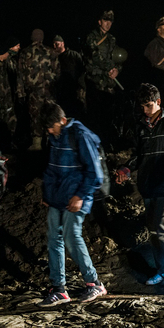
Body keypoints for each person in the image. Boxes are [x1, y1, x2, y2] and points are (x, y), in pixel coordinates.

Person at [116, 84, 164, 285]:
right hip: (148, 184)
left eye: (148, 105)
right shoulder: (141, 127)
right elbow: (139, 156)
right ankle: (162, 269)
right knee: (153, 228)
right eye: (142, 106)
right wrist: (127, 167)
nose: (145, 110)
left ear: (158, 102)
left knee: (161, 225)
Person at [38, 102, 107, 307]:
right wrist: (47, 194)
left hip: (76, 197)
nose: (50, 131)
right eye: (47, 128)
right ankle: (59, 289)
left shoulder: (80, 135)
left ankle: (94, 283)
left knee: (71, 236)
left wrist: (80, 196)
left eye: (52, 126)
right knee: (53, 238)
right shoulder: (55, 137)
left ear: (62, 120)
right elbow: (52, 168)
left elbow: (95, 173)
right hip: (57, 197)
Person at [84, 10, 121, 145]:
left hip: (108, 84)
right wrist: (109, 68)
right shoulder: (91, 37)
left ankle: (106, 144)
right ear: (99, 22)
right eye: (105, 20)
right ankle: (93, 145)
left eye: (110, 21)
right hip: (95, 82)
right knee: (94, 117)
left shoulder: (112, 39)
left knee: (108, 117)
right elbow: (95, 56)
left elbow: (117, 58)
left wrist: (116, 70)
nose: (108, 24)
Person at [20, 29, 59, 151]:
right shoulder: (51, 52)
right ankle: (51, 141)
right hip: (49, 91)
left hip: (34, 92)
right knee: (50, 114)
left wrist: (20, 92)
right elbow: (58, 73)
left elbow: (20, 75)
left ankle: (37, 143)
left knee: (35, 116)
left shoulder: (25, 53)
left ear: (32, 38)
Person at [53, 35, 87, 120]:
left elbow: (82, 70)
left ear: (62, 44)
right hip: (59, 92)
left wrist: (81, 87)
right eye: (53, 44)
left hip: (74, 91)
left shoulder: (74, 55)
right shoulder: (53, 57)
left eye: (57, 44)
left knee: (75, 114)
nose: (55, 46)